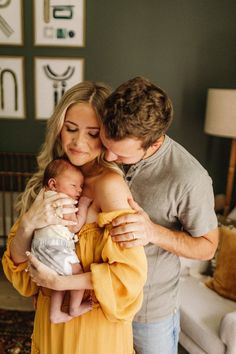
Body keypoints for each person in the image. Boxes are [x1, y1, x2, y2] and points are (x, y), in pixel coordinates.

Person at [2, 81, 147, 354]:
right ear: (58, 129)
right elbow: (19, 269)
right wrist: (30, 223)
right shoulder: (51, 179)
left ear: (106, 135)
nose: (79, 143)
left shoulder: (109, 186)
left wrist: (60, 283)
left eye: (92, 133)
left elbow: (129, 276)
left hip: (92, 332)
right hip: (51, 325)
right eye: (70, 129)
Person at [99, 76, 219, 354]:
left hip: (149, 313)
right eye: (104, 143)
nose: (106, 157)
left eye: (119, 154)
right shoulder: (105, 146)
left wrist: (152, 231)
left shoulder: (190, 178)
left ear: (153, 144)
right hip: (98, 300)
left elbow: (207, 248)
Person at [31, 158, 92, 324]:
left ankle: (55, 313)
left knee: (60, 279)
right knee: (77, 275)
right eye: (74, 185)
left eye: (81, 186)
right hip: (55, 247)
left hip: (41, 248)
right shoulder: (63, 201)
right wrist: (84, 206)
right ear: (53, 183)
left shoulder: (44, 198)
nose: (79, 190)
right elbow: (74, 226)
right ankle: (74, 307)